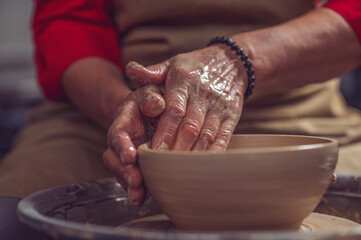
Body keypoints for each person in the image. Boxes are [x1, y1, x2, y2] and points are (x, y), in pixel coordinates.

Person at [0, 0, 361, 207]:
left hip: (298, 104)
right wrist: (128, 108)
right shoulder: (123, 108)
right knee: (18, 211)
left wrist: (237, 61)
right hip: (115, 108)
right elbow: (69, 21)